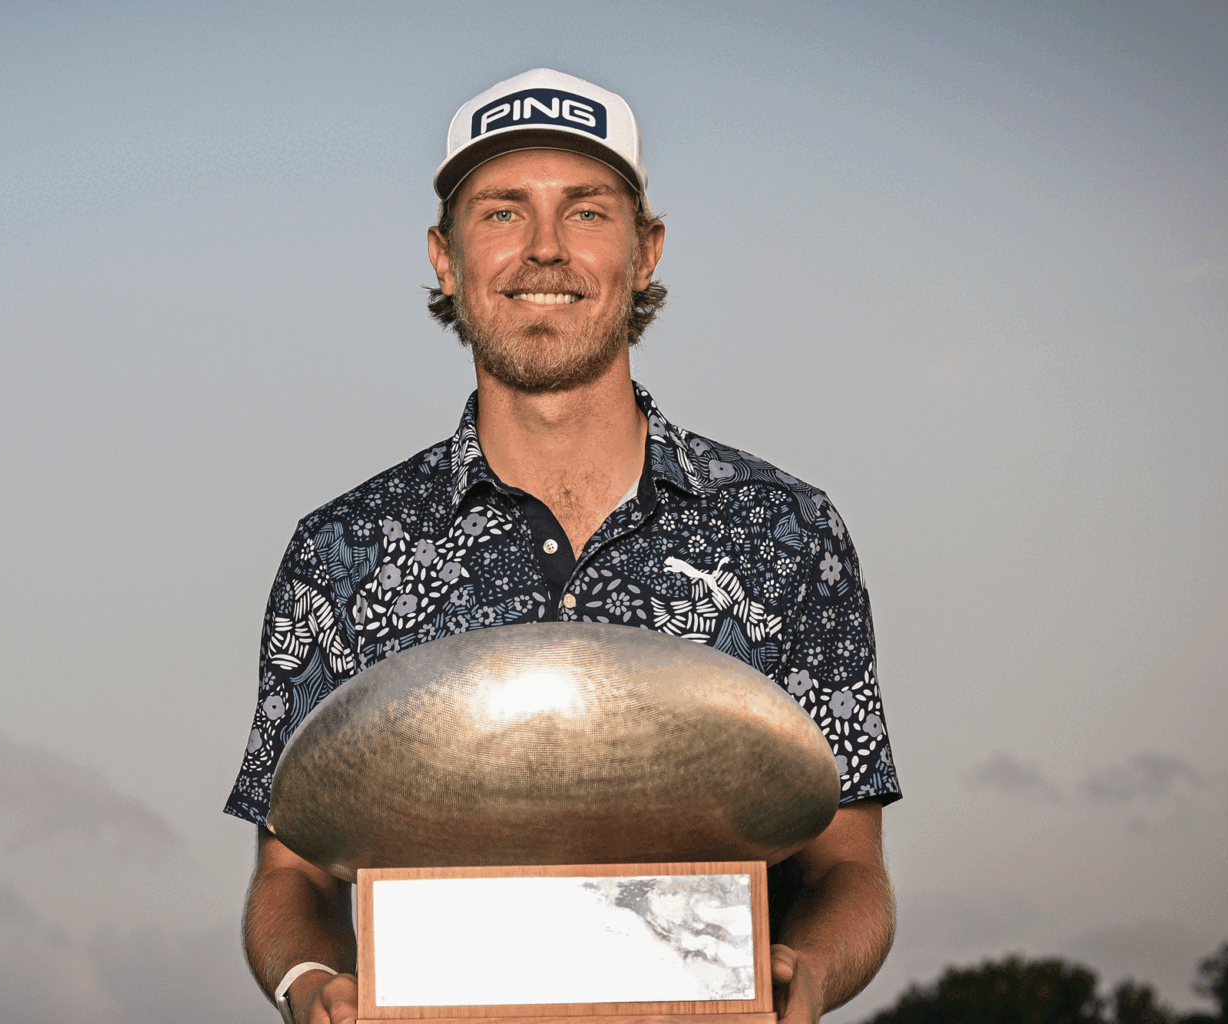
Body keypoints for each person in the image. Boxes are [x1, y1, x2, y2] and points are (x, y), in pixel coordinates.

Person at [223, 68, 901, 1024]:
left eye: (585, 212)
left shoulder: (786, 533)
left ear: (646, 250)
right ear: (445, 258)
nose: (545, 250)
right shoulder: (342, 552)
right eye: (502, 213)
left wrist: (810, 971)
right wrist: (306, 984)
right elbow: (291, 870)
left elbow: (850, 868)